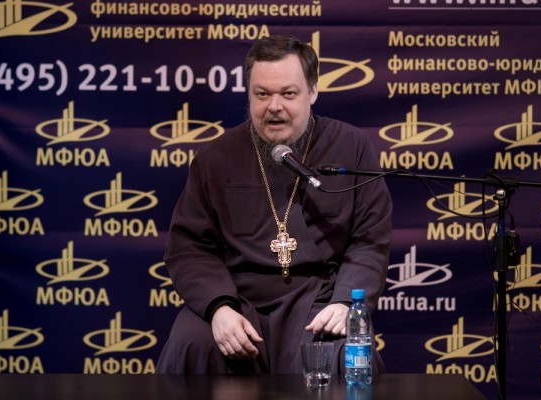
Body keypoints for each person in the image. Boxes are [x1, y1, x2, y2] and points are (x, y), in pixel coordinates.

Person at [156, 34, 392, 374]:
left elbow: (369, 239)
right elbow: (190, 248)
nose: (274, 106)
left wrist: (345, 303)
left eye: (288, 94)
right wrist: (219, 307)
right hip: (239, 300)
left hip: (319, 300)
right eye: (262, 94)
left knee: (345, 351)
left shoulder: (351, 146)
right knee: (191, 342)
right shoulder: (216, 156)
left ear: (312, 91)